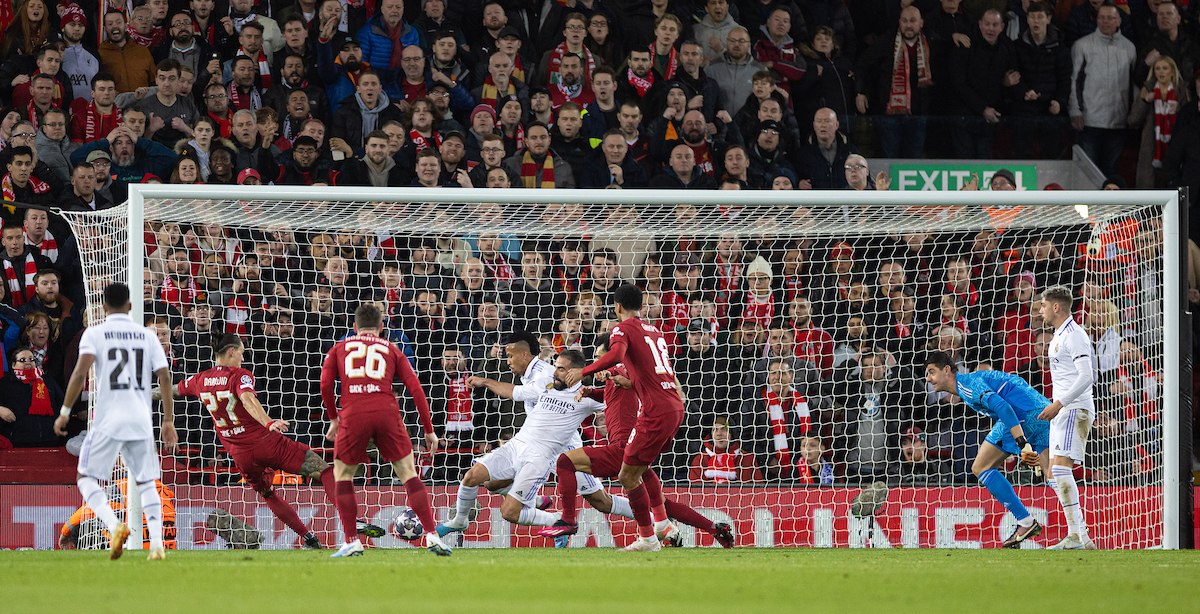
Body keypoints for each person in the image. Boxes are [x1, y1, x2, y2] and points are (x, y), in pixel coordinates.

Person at [541, 335, 736, 547]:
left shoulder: (619, 371)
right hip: (636, 449)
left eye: (599, 357)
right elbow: (612, 393)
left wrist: (608, 372)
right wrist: (591, 392)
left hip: (621, 449)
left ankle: (569, 519)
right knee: (661, 503)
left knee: (565, 462)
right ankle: (714, 528)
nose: (596, 362)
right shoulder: (620, 378)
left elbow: (618, 374)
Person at [436, 335, 623, 533]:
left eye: (560, 368)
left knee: (510, 512)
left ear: (575, 373)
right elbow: (515, 391)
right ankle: (459, 520)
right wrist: (484, 381)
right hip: (517, 445)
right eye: (555, 366)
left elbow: (620, 400)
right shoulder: (547, 384)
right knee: (473, 477)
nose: (554, 371)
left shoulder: (587, 396)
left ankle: (557, 519)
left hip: (540, 457)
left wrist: (621, 380)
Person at [177, 333, 339, 549]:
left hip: (241, 456)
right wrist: (268, 422)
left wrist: (138, 393)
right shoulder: (240, 375)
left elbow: (168, 390)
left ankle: (308, 537)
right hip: (267, 444)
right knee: (324, 470)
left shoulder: (199, 380)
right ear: (232, 351)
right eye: (242, 353)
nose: (243, 359)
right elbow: (247, 398)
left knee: (268, 494)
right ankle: (350, 519)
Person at [52, 283, 176, 561]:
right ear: (131, 306)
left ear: (104, 307)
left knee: (86, 477)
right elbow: (165, 378)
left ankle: (114, 525)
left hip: (108, 417)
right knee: (147, 481)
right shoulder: (147, 335)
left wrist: (64, 412)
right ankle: (157, 545)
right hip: (141, 418)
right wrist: (167, 420)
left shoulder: (94, 333)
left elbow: (78, 375)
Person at [562, 284, 686, 552]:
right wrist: (620, 381)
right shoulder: (654, 331)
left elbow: (616, 354)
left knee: (628, 476)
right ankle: (662, 524)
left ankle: (649, 538)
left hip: (655, 410)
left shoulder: (622, 328)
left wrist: (585, 370)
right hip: (673, 405)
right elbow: (649, 376)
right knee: (637, 469)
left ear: (617, 307)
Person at [319, 303, 450, 557]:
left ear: (354, 328)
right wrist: (428, 430)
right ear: (381, 328)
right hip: (387, 411)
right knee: (409, 474)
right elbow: (416, 388)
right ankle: (433, 535)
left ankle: (351, 540)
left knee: (343, 476)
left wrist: (333, 418)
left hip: (353, 412)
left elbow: (325, 384)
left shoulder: (338, 348)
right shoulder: (391, 348)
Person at [925, 350, 1052, 548]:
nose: (929, 378)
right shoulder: (970, 381)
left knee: (981, 467)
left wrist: (1021, 442)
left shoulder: (966, 385)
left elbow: (1003, 407)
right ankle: (1078, 528)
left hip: (1021, 414)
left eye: (932, 372)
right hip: (1040, 410)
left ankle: (1025, 521)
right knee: (1052, 474)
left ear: (947, 370)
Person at [1036, 284, 1099, 550]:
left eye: (1042, 305)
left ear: (1056, 307)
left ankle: (1075, 536)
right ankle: (1082, 537)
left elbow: (1088, 376)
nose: (1040, 310)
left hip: (1073, 408)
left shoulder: (1075, 335)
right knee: (1052, 472)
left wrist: (1059, 404)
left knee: (1060, 469)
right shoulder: (1060, 334)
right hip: (1063, 409)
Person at [1068, 2, 1136, 176]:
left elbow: (1133, 84)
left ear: (1119, 21)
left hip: (1118, 123)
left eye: (1110, 18)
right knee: (1086, 174)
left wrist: (1132, 115)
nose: (1106, 22)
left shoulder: (1129, 48)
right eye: (1102, 18)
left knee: (1110, 174)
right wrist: (1075, 110)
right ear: (1096, 20)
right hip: (1089, 122)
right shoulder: (1082, 45)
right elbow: (1074, 80)